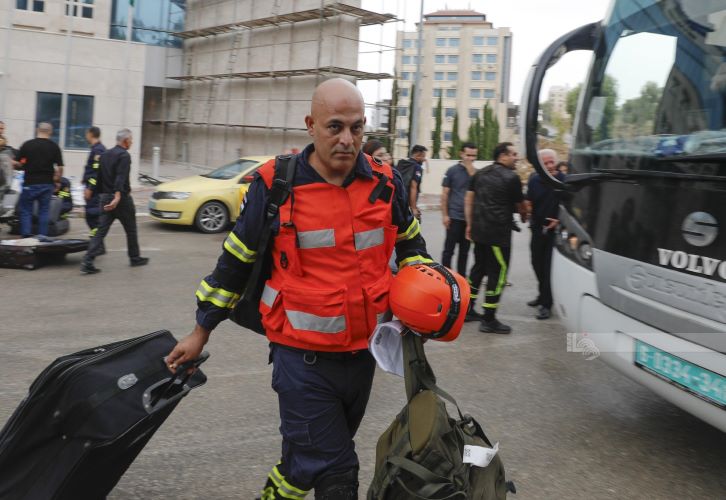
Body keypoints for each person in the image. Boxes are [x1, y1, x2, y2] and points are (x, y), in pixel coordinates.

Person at [165, 78, 432, 500]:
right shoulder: (275, 184)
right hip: (301, 361)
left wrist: (426, 296)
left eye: (357, 128)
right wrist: (202, 330)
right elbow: (235, 261)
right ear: (311, 125)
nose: (347, 140)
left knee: (304, 463)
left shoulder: (386, 182)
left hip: (363, 356)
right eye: (335, 127)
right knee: (338, 472)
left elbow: (411, 244)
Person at [465, 142, 527, 333]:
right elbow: (521, 207)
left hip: (479, 232)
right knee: (498, 275)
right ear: (502, 156)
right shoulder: (512, 178)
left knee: (478, 270)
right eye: (513, 154)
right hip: (498, 236)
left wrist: (470, 224)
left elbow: (469, 199)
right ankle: (489, 319)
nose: (516, 157)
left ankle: (467, 310)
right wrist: (525, 216)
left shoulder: (480, 174)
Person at [80, 129, 149, 274]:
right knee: (131, 229)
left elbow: (98, 176)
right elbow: (120, 176)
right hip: (120, 199)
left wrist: (92, 190)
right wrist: (117, 196)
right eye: (131, 140)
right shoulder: (124, 156)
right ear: (125, 141)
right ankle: (134, 258)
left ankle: (88, 261)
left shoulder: (105, 155)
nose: (132, 142)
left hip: (105, 198)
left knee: (101, 230)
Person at [525, 149, 565, 320]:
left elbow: (573, 205)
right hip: (537, 229)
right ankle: (542, 295)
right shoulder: (534, 180)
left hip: (555, 232)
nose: (549, 166)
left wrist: (559, 220)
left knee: (548, 268)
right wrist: (528, 213)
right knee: (536, 263)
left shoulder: (564, 180)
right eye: (545, 163)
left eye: (551, 162)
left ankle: (546, 304)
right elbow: (529, 201)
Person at [15, 122, 64, 238]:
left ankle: (26, 237)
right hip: (47, 184)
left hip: (29, 183)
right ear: (50, 132)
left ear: (37, 130)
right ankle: (42, 238)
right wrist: (57, 181)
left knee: (26, 210)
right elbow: (60, 167)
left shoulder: (27, 145)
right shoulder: (54, 146)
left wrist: (15, 164)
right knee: (44, 211)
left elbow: (18, 163)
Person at [441, 142, 477, 279]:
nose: (471, 158)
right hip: (454, 217)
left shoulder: (476, 173)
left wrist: (470, 170)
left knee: (464, 252)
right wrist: (445, 215)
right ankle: (446, 277)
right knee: (449, 250)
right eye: (468, 155)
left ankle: (461, 279)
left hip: (468, 220)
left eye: (473, 156)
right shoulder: (452, 171)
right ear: (461, 154)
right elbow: (445, 194)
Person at [83, 126, 106, 251]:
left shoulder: (98, 150)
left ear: (91, 134)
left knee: (92, 216)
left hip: (95, 190)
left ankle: (98, 245)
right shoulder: (96, 149)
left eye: (86, 133)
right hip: (94, 189)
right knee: (92, 216)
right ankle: (98, 245)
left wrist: (90, 188)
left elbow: (97, 172)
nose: (85, 136)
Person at [395, 145, 427, 220]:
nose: (424, 159)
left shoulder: (403, 164)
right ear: (418, 156)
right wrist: (413, 208)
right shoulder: (417, 167)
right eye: (423, 156)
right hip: (407, 205)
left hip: (399, 201)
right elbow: (413, 187)